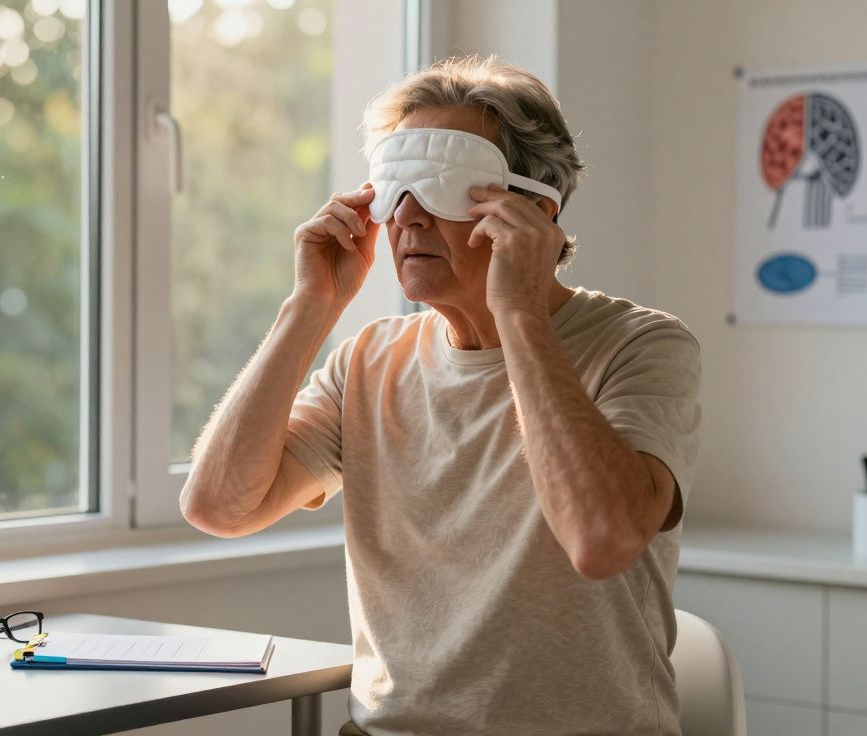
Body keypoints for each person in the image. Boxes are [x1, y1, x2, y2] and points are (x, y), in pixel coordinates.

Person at [180, 54, 701, 736]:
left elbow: (601, 541)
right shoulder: (370, 361)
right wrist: (310, 306)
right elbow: (219, 507)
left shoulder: (643, 346)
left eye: (442, 187)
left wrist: (518, 313)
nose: (408, 216)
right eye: (394, 187)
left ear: (535, 212)